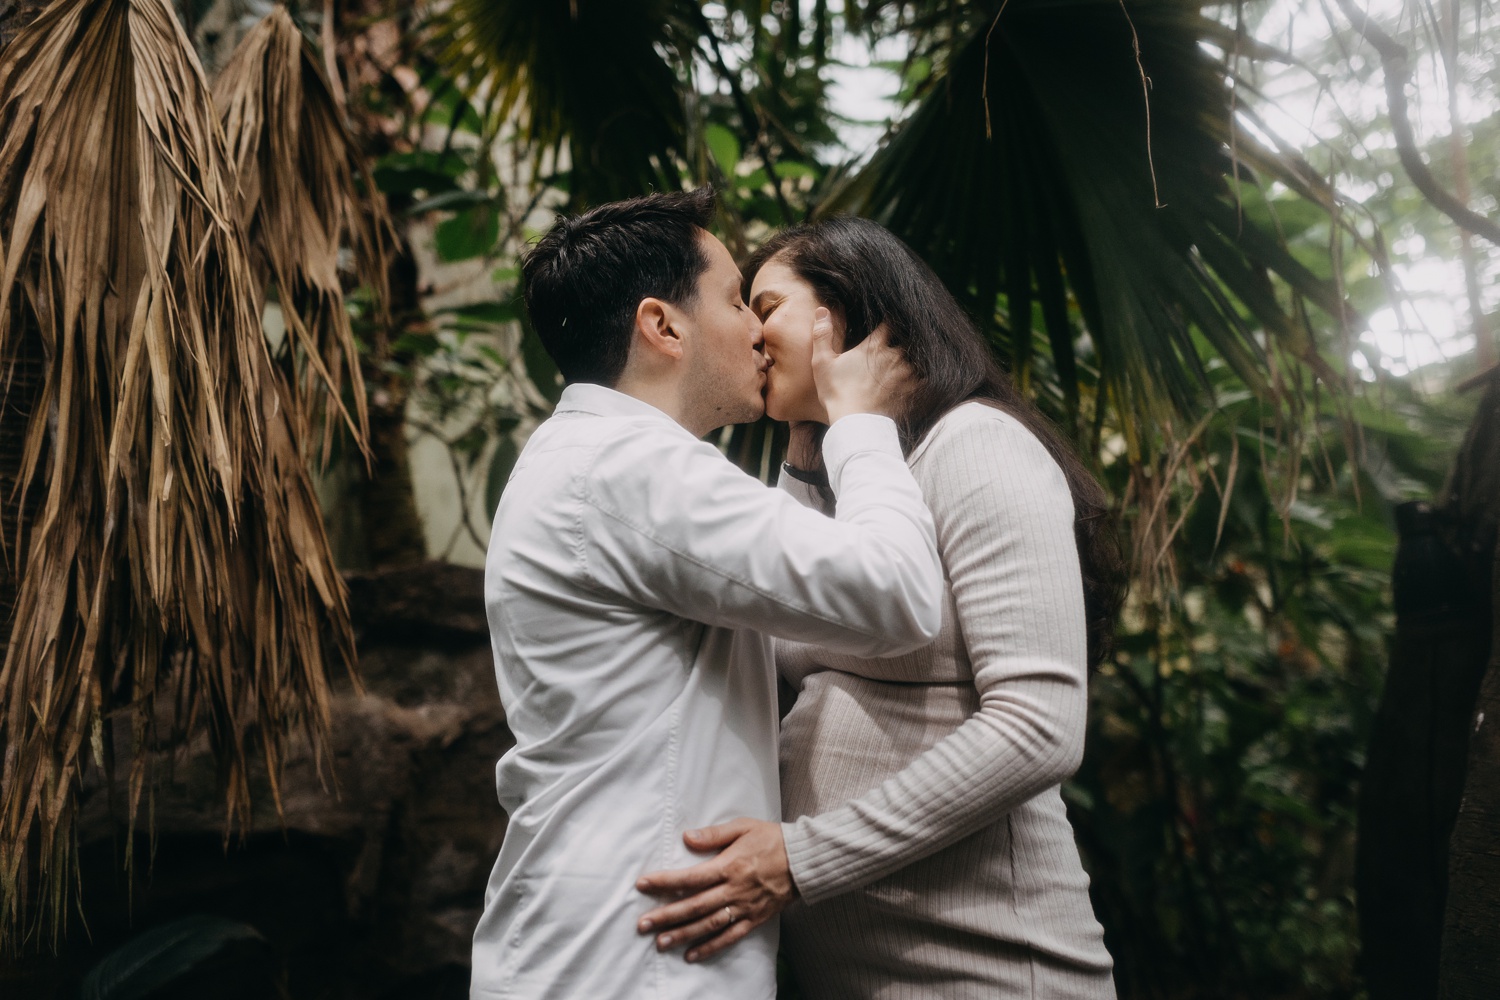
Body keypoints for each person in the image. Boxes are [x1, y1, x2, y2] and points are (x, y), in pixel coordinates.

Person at [470, 190, 947, 1000]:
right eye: (735, 300)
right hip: (628, 963)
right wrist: (860, 423)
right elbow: (896, 596)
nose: (759, 329)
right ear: (663, 327)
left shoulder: (589, 459)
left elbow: (776, 582)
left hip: (600, 943)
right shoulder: (631, 468)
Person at [636, 216, 1123, 998]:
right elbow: (764, 640)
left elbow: (1039, 727)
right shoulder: (859, 492)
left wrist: (803, 858)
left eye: (765, 306)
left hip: (989, 970)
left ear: (849, 310)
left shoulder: (974, 446)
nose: (751, 336)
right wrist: (808, 441)